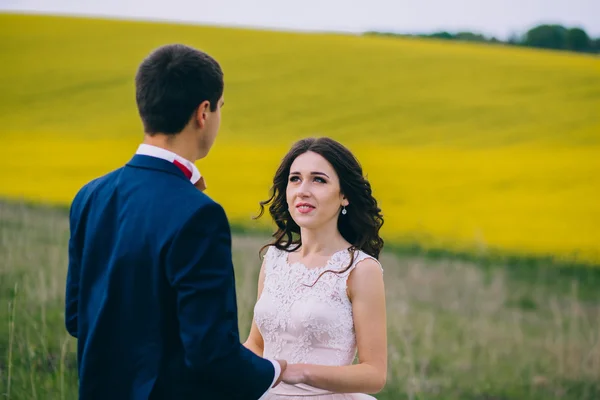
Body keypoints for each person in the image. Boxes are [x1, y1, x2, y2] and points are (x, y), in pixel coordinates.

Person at [65, 43, 286, 400]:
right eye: (220, 108)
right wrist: (276, 371)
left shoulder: (90, 195)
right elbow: (211, 354)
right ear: (203, 112)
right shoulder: (199, 213)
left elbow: (77, 318)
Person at [243, 137, 388, 399]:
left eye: (318, 180)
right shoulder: (273, 260)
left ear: (344, 195)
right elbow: (256, 344)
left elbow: (374, 374)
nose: (303, 190)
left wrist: (299, 372)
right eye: (295, 179)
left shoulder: (361, 269)